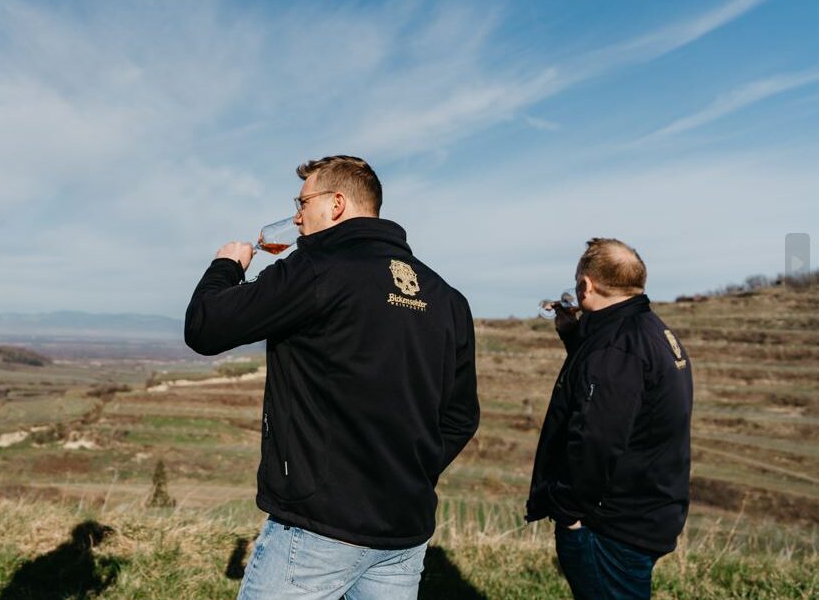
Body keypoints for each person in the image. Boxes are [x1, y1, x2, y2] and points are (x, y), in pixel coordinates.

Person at [185, 155, 479, 600]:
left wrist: (226, 266)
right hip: (404, 527)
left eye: (303, 203)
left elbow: (205, 327)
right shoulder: (446, 297)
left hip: (320, 524)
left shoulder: (316, 268)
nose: (298, 218)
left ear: (337, 204)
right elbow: (460, 416)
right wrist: (408, 472)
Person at [526, 238, 693, 599]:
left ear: (586, 285)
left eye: (576, 283)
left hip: (610, 525)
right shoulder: (651, 331)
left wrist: (569, 512)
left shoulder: (617, 348)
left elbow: (597, 438)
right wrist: (574, 334)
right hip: (644, 512)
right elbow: (611, 389)